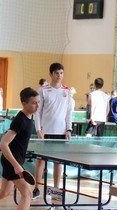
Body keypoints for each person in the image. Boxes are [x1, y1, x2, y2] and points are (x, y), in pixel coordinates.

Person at [33, 63, 73, 198]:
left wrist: (69, 129)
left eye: (61, 73)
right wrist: (38, 129)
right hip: (45, 132)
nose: (59, 76)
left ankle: (56, 191)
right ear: (50, 74)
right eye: (56, 73)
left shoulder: (67, 91)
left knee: (58, 162)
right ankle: (36, 189)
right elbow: (37, 112)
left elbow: (69, 112)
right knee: (41, 161)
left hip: (60, 133)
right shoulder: (42, 90)